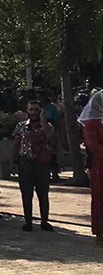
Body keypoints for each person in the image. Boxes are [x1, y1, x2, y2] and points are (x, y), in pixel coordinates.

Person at [12, 98, 55, 232]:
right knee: (26, 193)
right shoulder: (21, 126)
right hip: (25, 162)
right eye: (31, 109)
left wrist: (43, 120)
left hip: (42, 163)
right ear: (26, 111)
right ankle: (28, 221)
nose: (34, 112)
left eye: (37, 110)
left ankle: (44, 221)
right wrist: (12, 160)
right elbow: (16, 143)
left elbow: (50, 136)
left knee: (43, 193)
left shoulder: (47, 125)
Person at [77, 90, 103, 245]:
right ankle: (100, 231)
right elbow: (93, 145)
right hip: (99, 164)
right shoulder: (91, 124)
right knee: (100, 196)